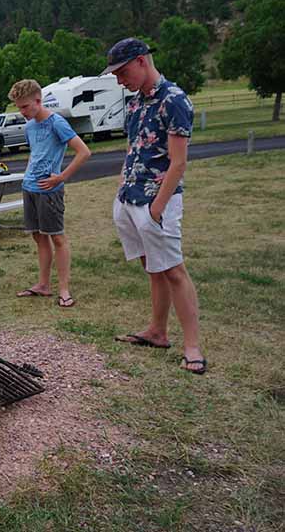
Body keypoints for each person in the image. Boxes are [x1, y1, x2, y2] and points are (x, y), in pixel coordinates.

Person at [104, 38, 207, 375]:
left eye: (122, 72)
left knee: (174, 270)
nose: (120, 80)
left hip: (156, 201)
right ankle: (158, 331)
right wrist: (120, 192)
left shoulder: (175, 100)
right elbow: (132, 150)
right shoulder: (135, 104)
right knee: (152, 265)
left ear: (142, 61)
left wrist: (157, 209)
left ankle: (192, 347)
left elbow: (178, 164)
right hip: (129, 197)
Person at [8, 79, 91, 308]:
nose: (22, 112)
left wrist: (61, 177)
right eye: (19, 107)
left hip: (50, 190)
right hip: (30, 187)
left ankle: (64, 289)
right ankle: (43, 285)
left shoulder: (57, 123)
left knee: (58, 238)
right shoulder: (30, 126)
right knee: (38, 237)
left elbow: (84, 152)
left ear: (38, 100)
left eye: (25, 107)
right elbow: (37, 154)